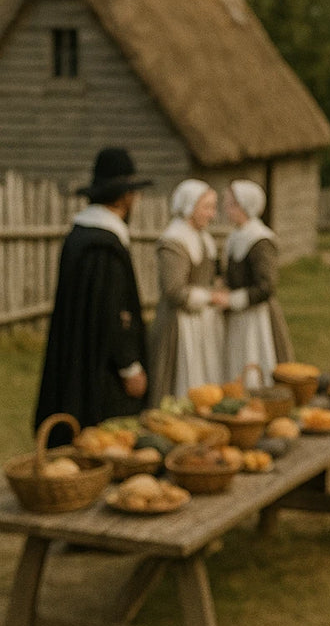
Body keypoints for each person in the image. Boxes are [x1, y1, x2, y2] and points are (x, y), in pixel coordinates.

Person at [34, 148, 152, 446]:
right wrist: (129, 366)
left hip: (76, 350)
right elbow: (112, 312)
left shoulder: (80, 236)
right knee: (105, 437)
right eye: (133, 193)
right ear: (123, 197)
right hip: (101, 363)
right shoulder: (104, 246)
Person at [149, 179, 227, 402]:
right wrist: (210, 297)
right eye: (207, 207)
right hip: (180, 323)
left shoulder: (203, 237)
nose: (212, 214)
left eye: (213, 207)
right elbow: (174, 290)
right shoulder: (174, 240)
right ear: (190, 206)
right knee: (181, 383)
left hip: (204, 321)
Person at [222, 180, 294, 383]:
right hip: (238, 316)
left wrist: (232, 300)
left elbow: (266, 286)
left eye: (232, 204)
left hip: (257, 316)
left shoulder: (260, 239)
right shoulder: (236, 236)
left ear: (246, 206)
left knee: (256, 362)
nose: (227, 209)